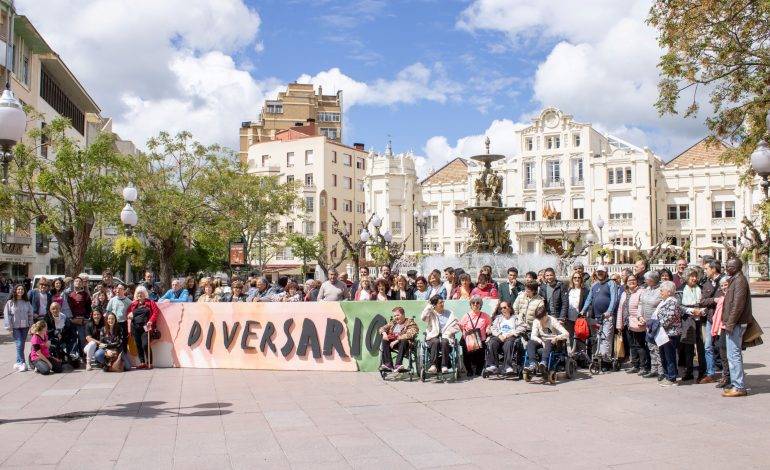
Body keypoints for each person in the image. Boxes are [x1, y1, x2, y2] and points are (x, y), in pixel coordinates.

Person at [720, 258, 753, 397]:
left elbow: (737, 305)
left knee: (734, 355)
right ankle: (735, 384)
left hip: (736, 324)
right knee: (731, 354)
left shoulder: (740, 281)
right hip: (733, 323)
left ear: (736, 267)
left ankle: (739, 386)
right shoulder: (735, 279)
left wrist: (731, 323)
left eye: (729, 266)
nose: (726, 267)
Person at [580, 266, 618, 360]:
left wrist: (609, 311)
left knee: (606, 338)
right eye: (598, 272)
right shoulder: (594, 285)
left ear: (606, 272)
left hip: (607, 317)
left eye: (602, 272)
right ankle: (598, 358)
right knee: (597, 339)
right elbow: (589, 299)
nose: (600, 273)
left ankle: (606, 360)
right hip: (595, 317)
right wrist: (583, 311)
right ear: (596, 273)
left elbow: (614, 299)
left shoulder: (611, 283)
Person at [696, 259, 723, 384]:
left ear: (713, 269)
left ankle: (726, 374)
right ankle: (710, 373)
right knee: (708, 346)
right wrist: (714, 300)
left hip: (722, 320)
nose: (705, 271)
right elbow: (702, 301)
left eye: (706, 268)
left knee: (722, 347)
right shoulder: (706, 283)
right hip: (710, 319)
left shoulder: (724, 281)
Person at [484, 300, 526, 374]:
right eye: (501, 308)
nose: (502, 310)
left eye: (504, 307)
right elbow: (493, 328)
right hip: (500, 337)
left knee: (509, 343)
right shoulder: (498, 318)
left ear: (509, 308)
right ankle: (493, 365)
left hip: (510, 337)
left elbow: (523, 327)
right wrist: (499, 335)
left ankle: (507, 366)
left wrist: (512, 333)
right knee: (492, 342)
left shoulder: (516, 318)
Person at [421, 296, 459, 374]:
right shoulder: (431, 313)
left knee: (444, 342)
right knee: (436, 341)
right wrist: (429, 306)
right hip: (433, 336)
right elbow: (423, 318)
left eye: (443, 302)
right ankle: (433, 366)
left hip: (446, 336)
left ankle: (444, 366)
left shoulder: (449, 313)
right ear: (434, 305)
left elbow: (456, 326)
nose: (442, 304)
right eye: (440, 303)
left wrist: (449, 333)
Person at [654, 280, 682, 386]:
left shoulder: (673, 302)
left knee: (670, 356)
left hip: (670, 333)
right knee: (664, 356)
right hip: (662, 333)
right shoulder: (663, 302)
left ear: (669, 292)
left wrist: (656, 323)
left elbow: (668, 319)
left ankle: (672, 378)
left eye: (662, 290)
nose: (660, 292)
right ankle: (667, 376)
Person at [679, 269, 705, 382]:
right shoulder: (680, 290)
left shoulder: (700, 288)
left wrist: (701, 311)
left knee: (702, 346)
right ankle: (688, 370)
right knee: (688, 346)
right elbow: (678, 306)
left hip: (701, 320)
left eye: (695, 276)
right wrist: (691, 310)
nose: (694, 278)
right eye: (691, 276)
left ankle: (702, 371)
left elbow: (705, 302)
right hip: (687, 320)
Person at [126, 286, 161, 369]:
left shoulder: (150, 302)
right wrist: (129, 315)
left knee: (145, 344)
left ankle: (150, 363)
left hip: (146, 327)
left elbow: (156, 312)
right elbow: (128, 313)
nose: (139, 295)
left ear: (145, 294)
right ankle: (142, 362)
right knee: (138, 345)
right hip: (135, 327)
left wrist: (151, 321)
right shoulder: (133, 304)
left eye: (141, 293)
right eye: (138, 293)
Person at [524, 308, 569, 373]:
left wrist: (557, 338)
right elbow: (533, 336)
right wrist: (541, 341)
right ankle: (532, 364)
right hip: (542, 340)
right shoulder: (536, 321)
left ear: (546, 315)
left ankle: (544, 362)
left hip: (552, 341)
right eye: (539, 319)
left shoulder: (553, 320)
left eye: (542, 319)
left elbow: (566, 334)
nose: (540, 321)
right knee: (530, 342)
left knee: (548, 341)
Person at [459, 296, 493, 377]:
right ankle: (469, 370)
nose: (475, 304)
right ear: (470, 305)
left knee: (481, 353)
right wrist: (466, 334)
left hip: (481, 338)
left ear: (480, 305)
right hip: (469, 339)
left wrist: (488, 329)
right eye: (473, 303)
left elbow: (489, 324)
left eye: (477, 303)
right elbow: (461, 326)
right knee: (466, 352)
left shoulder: (485, 316)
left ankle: (479, 368)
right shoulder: (466, 316)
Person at [619, 275, 646, 374]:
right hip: (627, 322)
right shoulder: (624, 293)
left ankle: (643, 366)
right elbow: (620, 309)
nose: (632, 282)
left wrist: (640, 319)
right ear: (626, 282)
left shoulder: (641, 291)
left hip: (637, 322)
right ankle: (635, 365)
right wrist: (620, 324)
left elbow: (641, 306)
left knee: (639, 345)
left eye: (634, 280)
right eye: (629, 280)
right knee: (632, 345)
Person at [638, 271, 663, 379]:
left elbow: (662, 305)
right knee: (651, 347)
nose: (645, 281)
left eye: (647, 279)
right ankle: (654, 369)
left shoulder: (660, 290)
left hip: (657, 323)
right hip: (646, 323)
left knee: (658, 347)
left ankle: (661, 371)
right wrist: (640, 316)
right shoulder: (646, 289)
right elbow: (640, 303)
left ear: (653, 279)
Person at [3, 285, 34, 372]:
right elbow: (7, 315)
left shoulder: (27, 302)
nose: (20, 291)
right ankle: (22, 363)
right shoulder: (10, 302)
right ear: (15, 291)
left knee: (21, 345)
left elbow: (30, 314)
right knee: (19, 344)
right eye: (18, 289)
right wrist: (9, 327)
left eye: (22, 289)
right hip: (15, 327)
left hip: (25, 327)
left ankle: (17, 362)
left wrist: (31, 326)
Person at [379, 306, 419, 372]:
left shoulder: (410, 322)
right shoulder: (393, 322)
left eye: (398, 315)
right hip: (393, 344)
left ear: (403, 314)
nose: (396, 317)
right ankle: (388, 364)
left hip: (405, 344)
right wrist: (384, 333)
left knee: (403, 340)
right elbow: (382, 328)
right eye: (394, 316)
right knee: (384, 340)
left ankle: (398, 364)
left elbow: (411, 334)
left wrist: (397, 340)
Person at [44, 302, 80, 369]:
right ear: (50, 309)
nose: (55, 310)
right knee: (55, 344)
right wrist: (56, 332)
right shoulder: (47, 318)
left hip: (63, 336)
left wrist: (73, 335)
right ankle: (59, 358)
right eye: (53, 309)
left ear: (60, 309)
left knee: (73, 339)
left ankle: (72, 354)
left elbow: (70, 328)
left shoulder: (64, 316)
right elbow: (46, 330)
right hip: (52, 337)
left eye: (57, 308)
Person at [564, 271, 589, 351]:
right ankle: (572, 356)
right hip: (569, 318)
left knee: (581, 337)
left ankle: (582, 357)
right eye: (575, 277)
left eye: (579, 277)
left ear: (581, 279)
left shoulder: (585, 291)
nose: (577, 279)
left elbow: (587, 304)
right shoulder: (569, 290)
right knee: (571, 337)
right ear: (572, 279)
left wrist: (584, 314)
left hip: (580, 319)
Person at [106, 284, 132, 356]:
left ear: (124, 290)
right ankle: (114, 356)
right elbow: (108, 311)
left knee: (124, 340)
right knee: (114, 339)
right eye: (117, 288)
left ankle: (124, 356)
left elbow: (132, 310)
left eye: (120, 289)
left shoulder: (128, 301)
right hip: (114, 323)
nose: (118, 290)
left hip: (123, 323)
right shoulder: (112, 300)